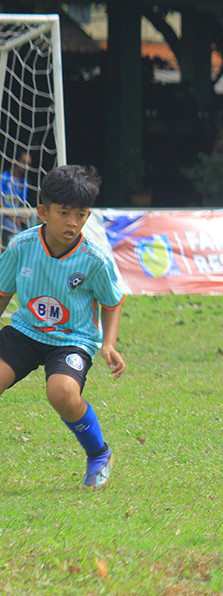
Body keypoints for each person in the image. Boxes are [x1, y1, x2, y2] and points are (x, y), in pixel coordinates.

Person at [0, 165, 126, 490]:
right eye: (64, 212)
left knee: (62, 393)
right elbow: (3, 292)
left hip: (72, 339)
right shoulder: (20, 247)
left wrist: (108, 344)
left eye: (81, 215)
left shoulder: (94, 261)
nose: (72, 222)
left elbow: (113, 302)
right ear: (43, 211)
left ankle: (98, 453)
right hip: (26, 330)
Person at [1, 150, 31, 247]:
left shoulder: (23, 182)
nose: (25, 167)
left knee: (33, 222)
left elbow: (23, 203)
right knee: (17, 236)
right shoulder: (4, 177)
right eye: (23, 162)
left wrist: (23, 217)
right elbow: (1, 203)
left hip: (17, 216)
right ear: (16, 161)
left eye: (28, 164)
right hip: (5, 216)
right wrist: (14, 219)